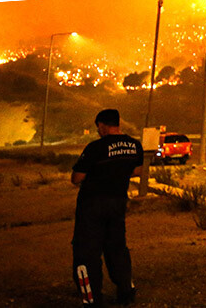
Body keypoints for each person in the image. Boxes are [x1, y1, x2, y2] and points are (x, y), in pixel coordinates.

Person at [71, 109, 143, 306]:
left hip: (92, 205)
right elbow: (137, 170)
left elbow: (77, 178)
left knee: (86, 252)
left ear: (102, 125)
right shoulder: (134, 145)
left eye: (98, 128)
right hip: (118, 203)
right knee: (117, 248)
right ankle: (126, 292)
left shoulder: (96, 147)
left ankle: (92, 298)